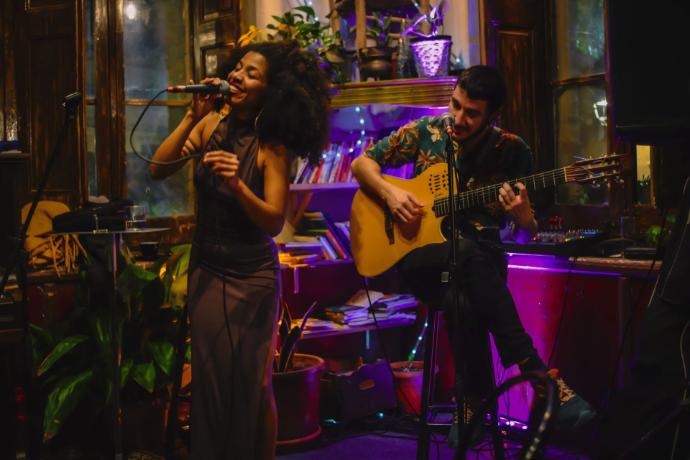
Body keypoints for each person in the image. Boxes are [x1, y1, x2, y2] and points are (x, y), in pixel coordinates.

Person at [351, 65, 595, 442]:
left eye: (472, 113)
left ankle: (471, 403)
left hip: (481, 265)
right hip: (421, 261)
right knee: (466, 257)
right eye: (455, 105)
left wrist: (524, 218)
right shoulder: (425, 132)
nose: (458, 118)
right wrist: (392, 194)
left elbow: (524, 234)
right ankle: (539, 378)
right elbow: (361, 164)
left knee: (463, 291)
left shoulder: (513, 151)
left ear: (492, 116)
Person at [150, 40, 330, 459]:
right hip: (207, 268)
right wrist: (191, 117)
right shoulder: (210, 124)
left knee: (252, 386)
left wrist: (238, 186)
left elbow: (273, 221)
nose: (237, 76)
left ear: (271, 90)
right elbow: (158, 168)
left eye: (252, 73)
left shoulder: (273, 147)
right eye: (238, 68)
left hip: (252, 276)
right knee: (210, 383)